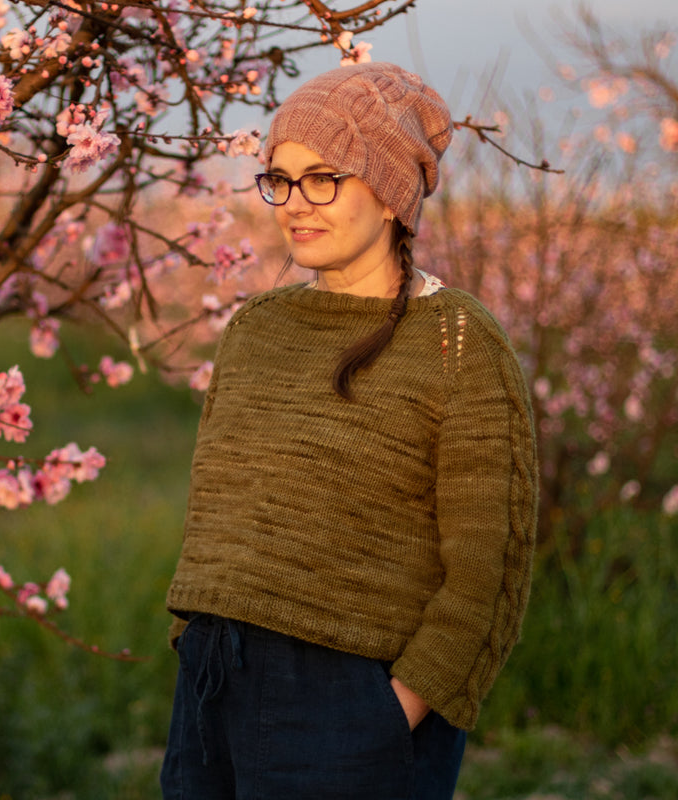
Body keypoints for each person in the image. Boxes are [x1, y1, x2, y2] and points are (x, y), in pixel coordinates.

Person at [160, 62, 538, 800]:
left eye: (323, 177)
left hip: (347, 703)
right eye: (281, 178)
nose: (295, 203)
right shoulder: (254, 329)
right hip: (210, 688)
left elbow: (487, 570)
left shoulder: (457, 342)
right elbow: (224, 517)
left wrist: (393, 713)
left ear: (392, 192)